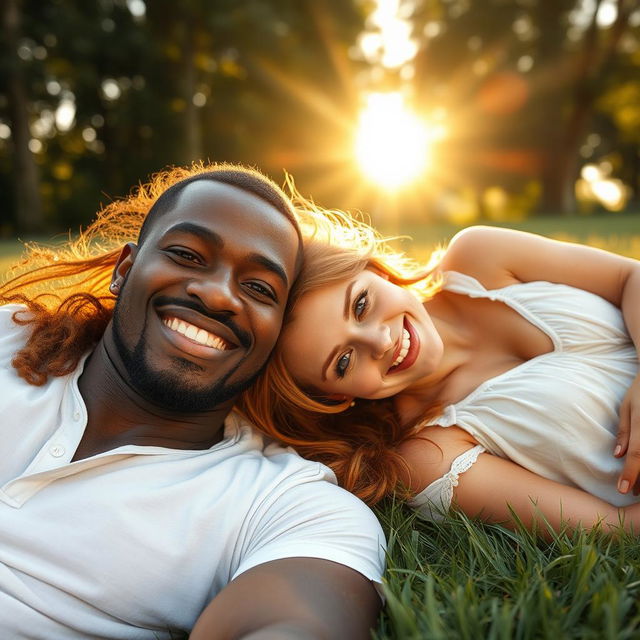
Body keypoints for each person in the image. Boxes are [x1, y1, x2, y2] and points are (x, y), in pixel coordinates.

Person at [0, 164, 385, 639]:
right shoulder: (8, 339)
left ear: (276, 336)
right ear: (125, 270)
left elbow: (301, 620)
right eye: (187, 255)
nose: (218, 295)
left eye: (259, 288)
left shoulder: (285, 504)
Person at [239, 208, 640, 535]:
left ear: (375, 271)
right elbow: (616, 529)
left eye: (360, 304)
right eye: (343, 362)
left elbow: (629, 276)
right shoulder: (430, 456)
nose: (380, 342)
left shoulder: (479, 256)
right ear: (334, 397)